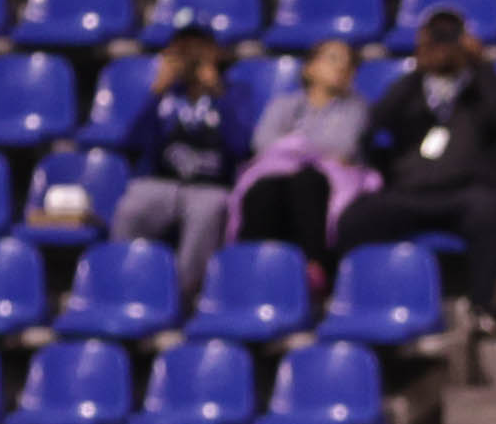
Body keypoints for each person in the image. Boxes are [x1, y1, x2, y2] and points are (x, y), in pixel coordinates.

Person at [335, 9, 496, 335]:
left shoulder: (480, 86)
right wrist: (418, 68)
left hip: (464, 192)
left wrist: (480, 64)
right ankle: (344, 299)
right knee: (354, 219)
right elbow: (375, 122)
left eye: (449, 37)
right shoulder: (411, 87)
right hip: (409, 193)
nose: (441, 44)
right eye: (435, 36)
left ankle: (482, 308)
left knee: (488, 213)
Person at [113, 26, 245, 305]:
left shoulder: (233, 94)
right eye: (183, 50)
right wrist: (157, 91)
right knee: (131, 207)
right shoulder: (164, 95)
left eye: (199, 49)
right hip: (161, 182)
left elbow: (241, 146)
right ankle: (126, 286)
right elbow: (132, 142)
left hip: (210, 186)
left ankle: (180, 296)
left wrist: (217, 93)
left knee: (208, 211)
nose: (191, 57)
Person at [233, 39, 374, 288]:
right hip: (278, 176)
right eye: (332, 58)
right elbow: (263, 142)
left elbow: (344, 146)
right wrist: (313, 149)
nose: (342, 67)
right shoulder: (284, 104)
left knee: (308, 182)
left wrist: (294, 144)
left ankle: (314, 269)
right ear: (309, 68)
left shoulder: (356, 107)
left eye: (348, 63)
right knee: (265, 189)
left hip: (326, 180)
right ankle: (252, 271)